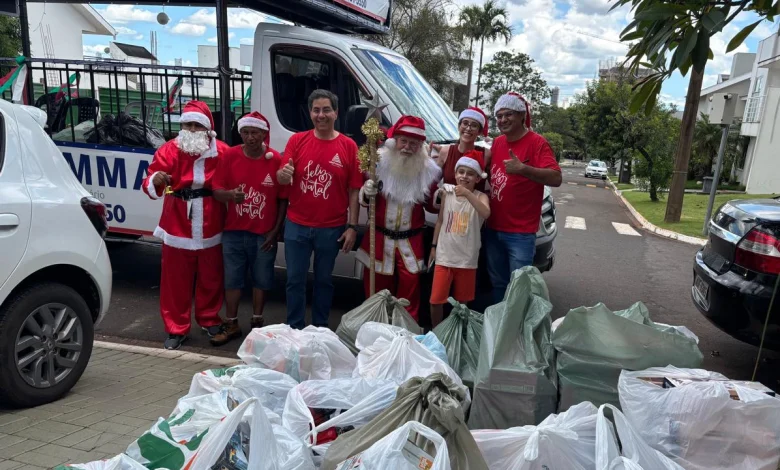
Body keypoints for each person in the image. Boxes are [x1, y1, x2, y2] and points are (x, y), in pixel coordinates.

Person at [142, 100, 231, 350]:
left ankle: (209, 318)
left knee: (211, 277)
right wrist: (155, 179)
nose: (191, 130)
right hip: (177, 220)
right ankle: (175, 327)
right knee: (175, 280)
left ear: (207, 129)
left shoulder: (222, 151)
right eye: (187, 125)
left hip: (211, 220)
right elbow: (151, 181)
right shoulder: (169, 150)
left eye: (196, 125)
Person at [277, 90, 361, 329]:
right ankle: (294, 328)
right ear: (310, 112)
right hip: (297, 225)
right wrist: (283, 175)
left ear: (336, 112)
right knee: (294, 280)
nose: (320, 115)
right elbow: (283, 177)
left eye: (326, 110)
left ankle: (320, 329)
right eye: (316, 110)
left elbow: (354, 190)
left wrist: (352, 227)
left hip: (331, 228)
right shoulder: (297, 141)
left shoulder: (348, 146)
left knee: (324, 281)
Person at [211, 112, 288, 345]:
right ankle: (232, 322)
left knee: (262, 278)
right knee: (232, 279)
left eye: (255, 133)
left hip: (263, 233)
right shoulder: (230, 156)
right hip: (234, 230)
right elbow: (216, 189)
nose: (250, 137)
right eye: (245, 132)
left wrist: (275, 231)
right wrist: (229, 195)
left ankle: (257, 323)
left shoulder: (274, 159)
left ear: (264, 134)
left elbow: (283, 198)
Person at [356, 116, 442, 320]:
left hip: (410, 243)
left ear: (421, 146)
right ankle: (375, 332)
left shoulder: (428, 171)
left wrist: (443, 194)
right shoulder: (378, 164)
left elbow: (432, 205)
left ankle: (404, 335)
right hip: (379, 240)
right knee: (376, 294)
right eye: (404, 141)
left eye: (414, 143)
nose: (407, 147)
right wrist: (367, 192)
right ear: (395, 141)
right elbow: (365, 199)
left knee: (409, 295)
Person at [486, 92, 563, 303]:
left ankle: (518, 332)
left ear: (521, 115)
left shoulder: (537, 143)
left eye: (508, 114)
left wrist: (523, 169)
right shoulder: (498, 143)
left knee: (519, 289)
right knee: (498, 285)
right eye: (499, 116)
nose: (502, 120)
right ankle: (498, 329)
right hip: (493, 230)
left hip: (520, 234)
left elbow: (556, 177)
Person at [429, 151, 490, 327]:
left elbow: (486, 213)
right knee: (436, 300)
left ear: (478, 178)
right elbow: (440, 221)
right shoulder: (447, 193)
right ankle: (436, 330)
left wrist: (467, 194)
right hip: (444, 257)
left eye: (470, 174)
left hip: (467, 260)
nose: (464, 176)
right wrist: (433, 246)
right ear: (455, 174)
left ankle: (458, 332)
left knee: (462, 303)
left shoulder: (480, 196)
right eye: (461, 172)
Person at [430, 106, 492, 189]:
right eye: (465, 123)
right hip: (448, 201)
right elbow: (432, 183)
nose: (468, 128)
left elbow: (495, 184)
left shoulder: (486, 154)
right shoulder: (446, 151)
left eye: (474, 125)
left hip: (476, 201)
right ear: (459, 126)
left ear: (479, 132)